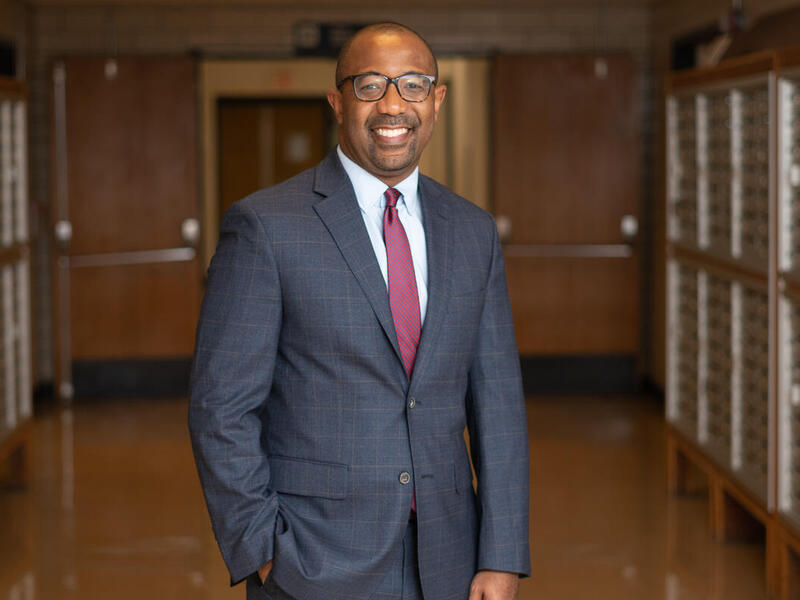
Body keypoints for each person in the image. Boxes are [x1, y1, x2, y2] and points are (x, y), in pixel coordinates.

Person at [189, 22, 530, 600]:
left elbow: (497, 405)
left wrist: (501, 557)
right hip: (312, 564)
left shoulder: (473, 231)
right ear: (337, 100)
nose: (393, 104)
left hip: (449, 562)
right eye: (370, 85)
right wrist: (264, 549)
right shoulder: (266, 227)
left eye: (413, 85)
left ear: (437, 100)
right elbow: (220, 408)